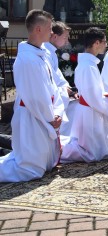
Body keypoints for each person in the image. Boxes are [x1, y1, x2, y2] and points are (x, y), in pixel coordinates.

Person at [0, 10, 64, 182]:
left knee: (43, 164)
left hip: (45, 114)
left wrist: (58, 111)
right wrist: (51, 118)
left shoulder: (42, 54)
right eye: (49, 28)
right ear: (38, 29)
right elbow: (36, 96)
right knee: (29, 169)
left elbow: (53, 87)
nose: (52, 32)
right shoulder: (27, 59)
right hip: (32, 116)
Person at [61, 28, 108, 163]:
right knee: (90, 152)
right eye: (104, 42)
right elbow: (94, 97)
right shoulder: (88, 66)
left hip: (90, 109)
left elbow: (95, 93)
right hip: (89, 111)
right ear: (96, 43)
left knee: (97, 149)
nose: (106, 45)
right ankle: (58, 149)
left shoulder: (89, 64)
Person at [44, 21, 77, 137]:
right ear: (54, 37)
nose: (67, 41)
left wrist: (69, 89)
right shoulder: (46, 53)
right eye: (65, 37)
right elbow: (51, 80)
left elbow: (59, 77)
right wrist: (65, 91)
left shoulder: (51, 52)